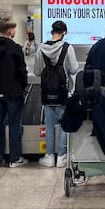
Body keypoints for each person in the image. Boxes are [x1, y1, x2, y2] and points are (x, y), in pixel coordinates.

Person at [0, 18, 29, 169]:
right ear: (10, 31)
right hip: (13, 92)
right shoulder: (15, 48)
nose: (15, 32)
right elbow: (22, 71)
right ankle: (14, 158)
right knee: (15, 124)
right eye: (14, 29)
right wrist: (21, 86)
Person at [34, 20, 79, 168]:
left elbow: (37, 71)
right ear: (64, 32)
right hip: (63, 91)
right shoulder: (68, 48)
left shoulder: (41, 48)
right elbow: (73, 70)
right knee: (63, 124)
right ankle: (61, 156)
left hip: (47, 92)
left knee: (49, 124)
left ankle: (49, 156)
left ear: (52, 32)